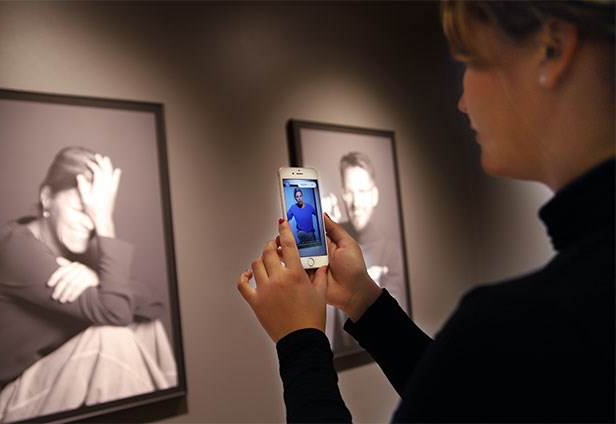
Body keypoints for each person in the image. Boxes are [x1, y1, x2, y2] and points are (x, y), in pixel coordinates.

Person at [238, 1, 615, 422]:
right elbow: (473, 406)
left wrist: (300, 341)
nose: (463, 101)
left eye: (471, 61)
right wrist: (365, 302)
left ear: (552, 49)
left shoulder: (533, 325)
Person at [0, 146, 177, 423]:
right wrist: (106, 223)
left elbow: (153, 302)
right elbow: (114, 312)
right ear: (46, 198)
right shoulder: (13, 249)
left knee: (145, 326)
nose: (90, 223)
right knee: (111, 338)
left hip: (51, 385)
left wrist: (97, 278)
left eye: (96, 214)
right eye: (80, 209)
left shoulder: (79, 252)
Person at [327, 152, 409, 356]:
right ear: (343, 194)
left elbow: (395, 328)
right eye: (349, 192)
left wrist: (365, 285)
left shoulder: (390, 251)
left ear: (374, 195)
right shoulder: (331, 241)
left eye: (362, 191)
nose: (355, 203)